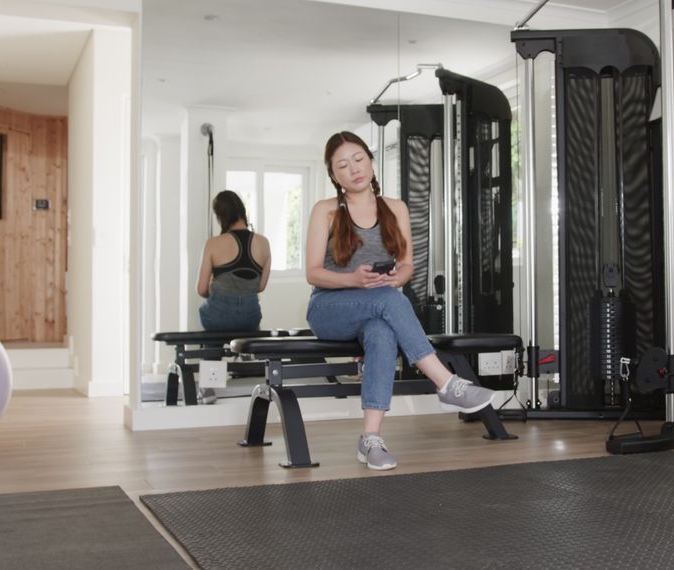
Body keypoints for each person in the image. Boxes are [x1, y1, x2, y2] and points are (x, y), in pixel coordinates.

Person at [305, 131, 496, 471]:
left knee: (382, 331)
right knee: (386, 299)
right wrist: (352, 278)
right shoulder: (327, 211)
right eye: (343, 166)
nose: (354, 169)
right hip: (329, 308)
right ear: (334, 176)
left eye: (359, 159)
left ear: (371, 160)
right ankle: (446, 382)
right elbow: (313, 273)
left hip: (376, 307)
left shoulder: (395, 208)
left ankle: (370, 438)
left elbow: (407, 264)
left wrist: (398, 276)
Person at [196, 190, 272, 332]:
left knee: (206, 313)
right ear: (242, 211)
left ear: (220, 217)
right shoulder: (264, 243)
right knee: (250, 330)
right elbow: (260, 287)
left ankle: (212, 353)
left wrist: (215, 288)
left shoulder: (213, 243)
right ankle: (245, 354)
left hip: (217, 318)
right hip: (250, 319)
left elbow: (201, 289)